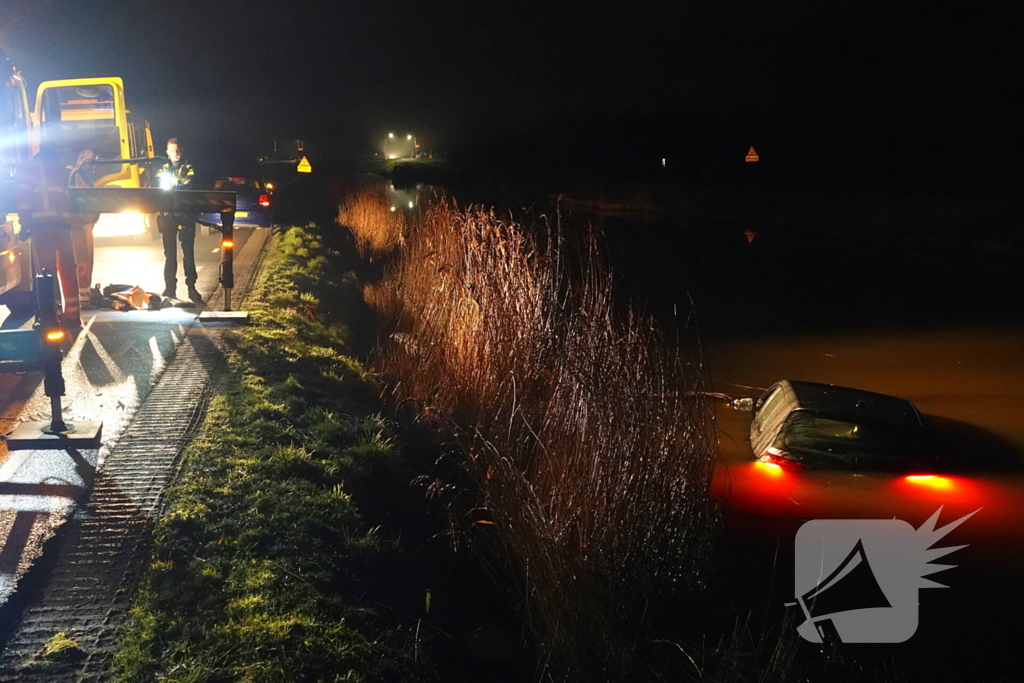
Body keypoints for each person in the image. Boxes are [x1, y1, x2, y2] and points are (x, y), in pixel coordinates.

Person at [16, 148, 81, 327]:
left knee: (46, 272)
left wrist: (25, 224)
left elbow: (23, 200)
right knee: (68, 267)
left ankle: (53, 313)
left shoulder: (28, 171)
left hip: (41, 225)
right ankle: (73, 315)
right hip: (63, 225)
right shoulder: (63, 171)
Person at [157, 138, 202, 303]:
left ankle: (192, 288)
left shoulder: (188, 167)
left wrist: (174, 185)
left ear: (181, 152)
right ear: (167, 152)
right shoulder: (161, 167)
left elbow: (190, 183)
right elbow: (158, 185)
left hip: (186, 215)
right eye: (172, 151)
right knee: (170, 255)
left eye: (178, 151)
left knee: (188, 254)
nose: (175, 154)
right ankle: (170, 289)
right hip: (168, 217)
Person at [68, 147, 99, 310]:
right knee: (81, 261)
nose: (88, 162)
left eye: (91, 159)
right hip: (78, 224)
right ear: (79, 158)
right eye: (86, 158)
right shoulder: (73, 173)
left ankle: (84, 296)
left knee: (86, 260)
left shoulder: (82, 175)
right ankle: (82, 298)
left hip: (86, 222)